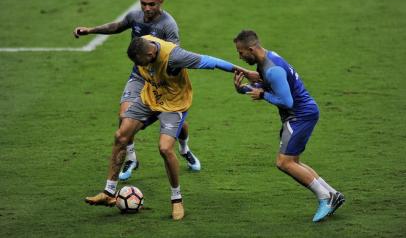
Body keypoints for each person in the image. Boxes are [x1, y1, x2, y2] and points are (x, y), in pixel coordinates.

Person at [85, 35, 259, 220]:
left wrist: (246, 72)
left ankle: (177, 199)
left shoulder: (175, 57)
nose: (141, 66)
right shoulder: (142, 45)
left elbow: (211, 61)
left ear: (151, 54)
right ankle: (109, 192)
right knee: (121, 136)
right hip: (149, 98)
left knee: (165, 148)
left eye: (142, 62)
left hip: (174, 106)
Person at [73, 0, 201, 181]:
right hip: (139, 76)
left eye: (152, 4)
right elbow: (117, 26)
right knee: (124, 117)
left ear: (160, 2)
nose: (147, 8)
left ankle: (184, 149)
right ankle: (132, 158)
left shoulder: (169, 26)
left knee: (177, 124)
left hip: (162, 81)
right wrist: (90, 30)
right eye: (144, 4)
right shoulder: (135, 16)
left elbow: (174, 56)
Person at [232, 30, 345, 222]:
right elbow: (269, 87)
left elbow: (286, 101)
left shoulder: (271, 70)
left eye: (241, 52)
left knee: (284, 162)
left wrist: (263, 96)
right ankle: (333, 194)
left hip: (299, 116)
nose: (239, 57)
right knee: (294, 162)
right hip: (304, 114)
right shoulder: (269, 58)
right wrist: (243, 89)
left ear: (251, 49)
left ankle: (325, 198)